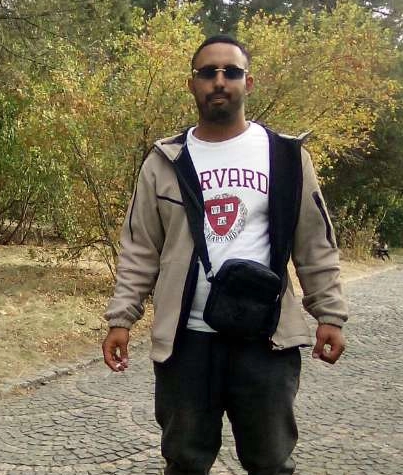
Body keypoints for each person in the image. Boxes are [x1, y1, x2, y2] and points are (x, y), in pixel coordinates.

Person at [102, 35, 348, 475]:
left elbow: (315, 243)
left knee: (271, 462)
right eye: (208, 72)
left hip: (265, 338)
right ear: (192, 84)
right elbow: (140, 247)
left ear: (248, 83)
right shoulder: (165, 160)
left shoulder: (287, 157)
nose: (219, 81)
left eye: (231, 72)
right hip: (186, 340)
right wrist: (122, 318)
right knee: (184, 462)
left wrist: (329, 314)